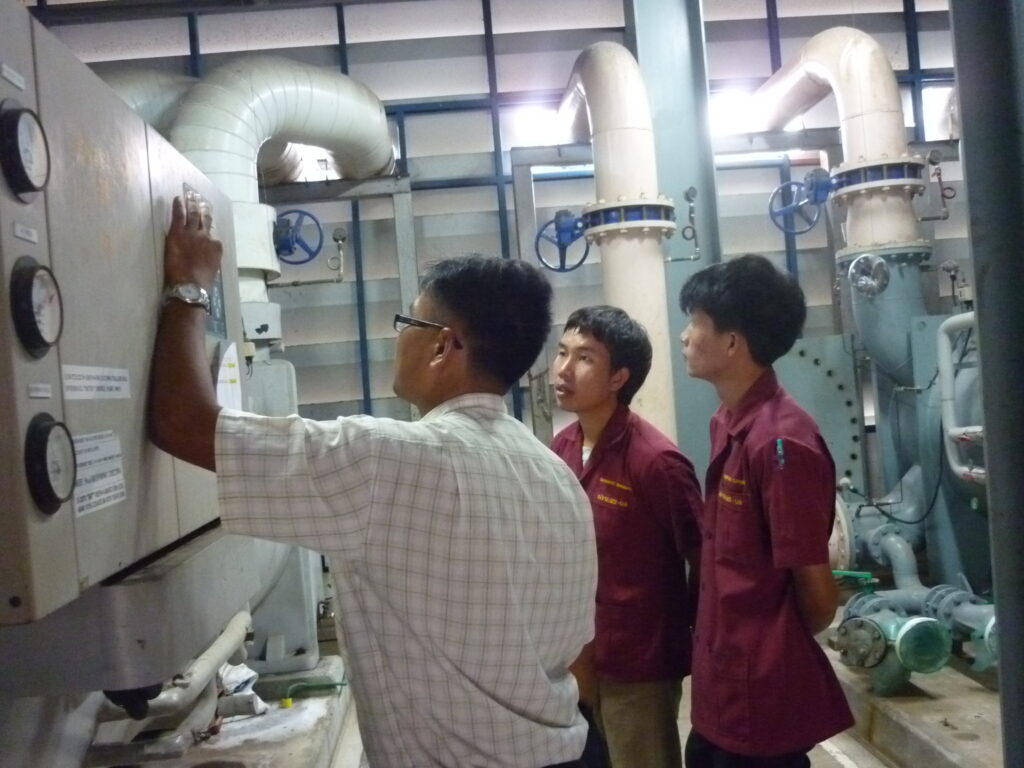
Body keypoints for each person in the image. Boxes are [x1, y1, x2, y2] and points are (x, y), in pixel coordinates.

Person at [148, 197, 598, 768]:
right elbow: (574, 649)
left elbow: (182, 422)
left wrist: (189, 288)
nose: (397, 339)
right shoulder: (559, 478)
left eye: (407, 322)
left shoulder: (386, 461)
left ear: (443, 345)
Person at [677, 255, 854, 768]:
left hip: (761, 697)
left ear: (732, 343)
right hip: (719, 688)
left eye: (696, 323)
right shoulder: (727, 422)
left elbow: (818, 596)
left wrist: (770, 647)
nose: (685, 336)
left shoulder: (781, 443)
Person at [549, 305, 703, 768]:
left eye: (584, 358)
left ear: (619, 377)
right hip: (575, 660)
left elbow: (702, 560)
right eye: (562, 352)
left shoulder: (656, 462)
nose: (563, 369)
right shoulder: (561, 448)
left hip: (638, 669)